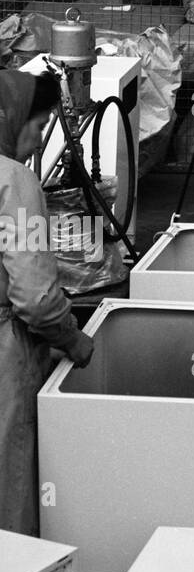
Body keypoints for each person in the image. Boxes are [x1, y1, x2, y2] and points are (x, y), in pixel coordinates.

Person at [1, 71, 95, 535]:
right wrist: (73, 340)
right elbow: (36, 299)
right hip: (4, 361)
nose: (39, 141)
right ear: (10, 120)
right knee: (9, 489)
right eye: (38, 127)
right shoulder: (15, 184)